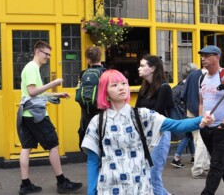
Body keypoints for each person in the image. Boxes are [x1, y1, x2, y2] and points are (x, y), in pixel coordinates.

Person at [81, 69, 215, 195]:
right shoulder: (97, 122)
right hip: (109, 187)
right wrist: (91, 192)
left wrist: (201, 119)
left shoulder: (142, 115)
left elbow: (176, 125)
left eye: (123, 83)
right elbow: (93, 161)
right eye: (114, 85)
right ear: (105, 91)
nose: (121, 87)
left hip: (140, 186)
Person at [18, 40, 83, 195]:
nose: (48, 57)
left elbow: (33, 93)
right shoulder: (32, 68)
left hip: (27, 114)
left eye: (49, 54)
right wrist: (53, 83)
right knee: (53, 144)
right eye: (46, 54)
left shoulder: (30, 68)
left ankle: (25, 184)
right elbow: (33, 92)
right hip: (36, 115)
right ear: (37, 52)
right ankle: (62, 183)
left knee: (26, 147)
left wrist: (56, 94)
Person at [198, 45, 224, 195]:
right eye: (202, 56)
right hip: (206, 129)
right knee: (222, 162)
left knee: (216, 164)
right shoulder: (202, 77)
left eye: (207, 56)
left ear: (217, 57)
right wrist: (200, 122)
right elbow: (202, 102)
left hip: (223, 128)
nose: (203, 59)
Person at [136, 54, 174, 195]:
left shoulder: (164, 88)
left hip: (160, 134)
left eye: (142, 65)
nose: (139, 68)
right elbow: (136, 110)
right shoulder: (143, 89)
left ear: (152, 68)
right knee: (147, 176)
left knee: (153, 176)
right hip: (145, 135)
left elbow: (156, 114)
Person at [181, 64, 210, 178]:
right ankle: (200, 166)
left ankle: (205, 164)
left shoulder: (192, 75)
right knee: (202, 139)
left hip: (191, 111)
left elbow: (183, 94)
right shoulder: (211, 76)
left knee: (197, 139)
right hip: (205, 111)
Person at [77, 46, 105, 148]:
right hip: (103, 113)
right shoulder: (106, 73)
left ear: (88, 59)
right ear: (100, 57)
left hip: (86, 115)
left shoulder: (83, 74)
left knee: (90, 145)